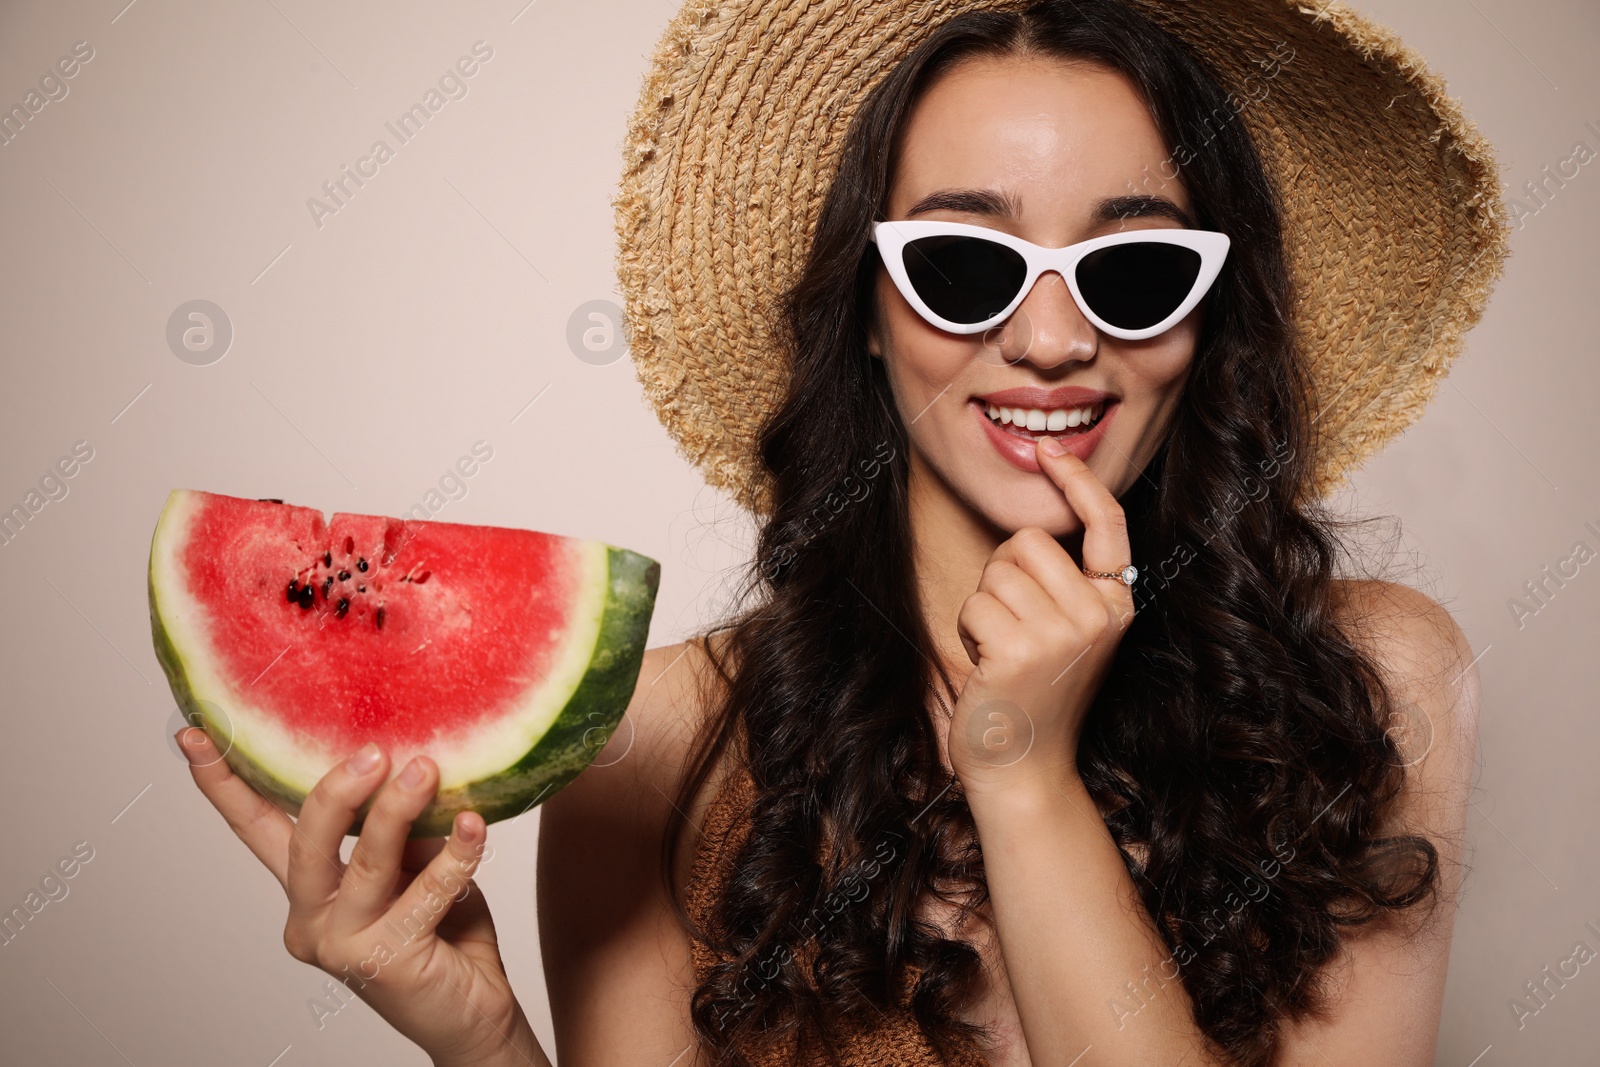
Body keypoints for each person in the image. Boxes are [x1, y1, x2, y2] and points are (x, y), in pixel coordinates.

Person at [177, 1, 1511, 1064]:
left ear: (1211, 318)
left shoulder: (1374, 680)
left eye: (1138, 269)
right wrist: (482, 1044)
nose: (1053, 342)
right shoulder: (655, 747)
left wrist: (1025, 778)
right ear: (866, 307)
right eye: (966, 264)